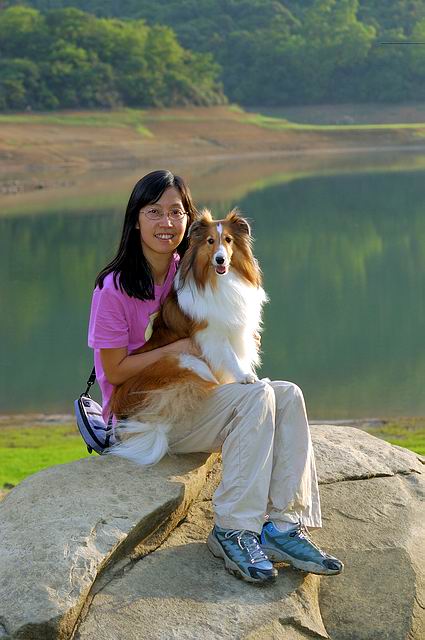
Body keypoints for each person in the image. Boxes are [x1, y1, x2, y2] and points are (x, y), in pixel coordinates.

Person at [88, 169, 344, 584]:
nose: (166, 222)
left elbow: (223, 324)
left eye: (176, 212)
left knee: (288, 394)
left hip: (198, 397)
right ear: (135, 219)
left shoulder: (191, 265)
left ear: (188, 221)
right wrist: (178, 348)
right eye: (154, 212)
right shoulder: (114, 289)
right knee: (257, 396)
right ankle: (234, 530)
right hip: (151, 411)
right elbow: (114, 371)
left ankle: (283, 526)